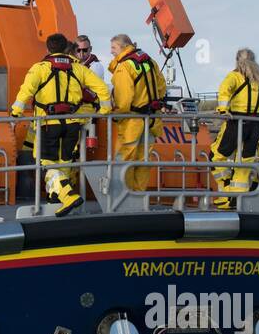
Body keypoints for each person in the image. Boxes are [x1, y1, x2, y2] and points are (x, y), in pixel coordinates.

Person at [11, 33, 112, 216]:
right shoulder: (78, 67)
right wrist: (104, 110)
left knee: (46, 165)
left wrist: (15, 112)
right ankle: (55, 199)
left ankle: (67, 196)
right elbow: (102, 88)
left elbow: (25, 92)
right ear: (67, 47)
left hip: (48, 124)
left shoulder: (40, 68)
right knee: (64, 163)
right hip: (72, 124)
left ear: (48, 49)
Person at [212, 48, 259, 209]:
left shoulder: (234, 76)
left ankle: (226, 187)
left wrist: (223, 110)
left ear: (237, 61)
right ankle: (236, 200)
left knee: (216, 156)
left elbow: (224, 91)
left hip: (236, 122)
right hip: (256, 125)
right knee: (245, 162)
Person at [108, 34, 167, 192]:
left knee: (124, 158)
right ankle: (138, 194)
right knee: (143, 160)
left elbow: (124, 97)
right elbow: (161, 86)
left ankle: (123, 196)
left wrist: (118, 113)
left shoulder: (124, 67)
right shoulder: (149, 61)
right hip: (152, 119)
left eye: (113, 47)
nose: (111, 51)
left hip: (132, 121)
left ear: (123, 47)